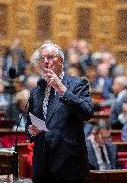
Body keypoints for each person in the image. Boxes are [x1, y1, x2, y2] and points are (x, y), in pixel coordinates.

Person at [25, 42, 94, 183]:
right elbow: (29, 124)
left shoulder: (77, 84)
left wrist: (61, 89)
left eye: (50, 57)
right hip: (42, 164)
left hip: (68, 163)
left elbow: (87, 113)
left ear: (61, 61)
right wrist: (31, 131)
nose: (46, 61)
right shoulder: (37, 90)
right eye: (42, 58)